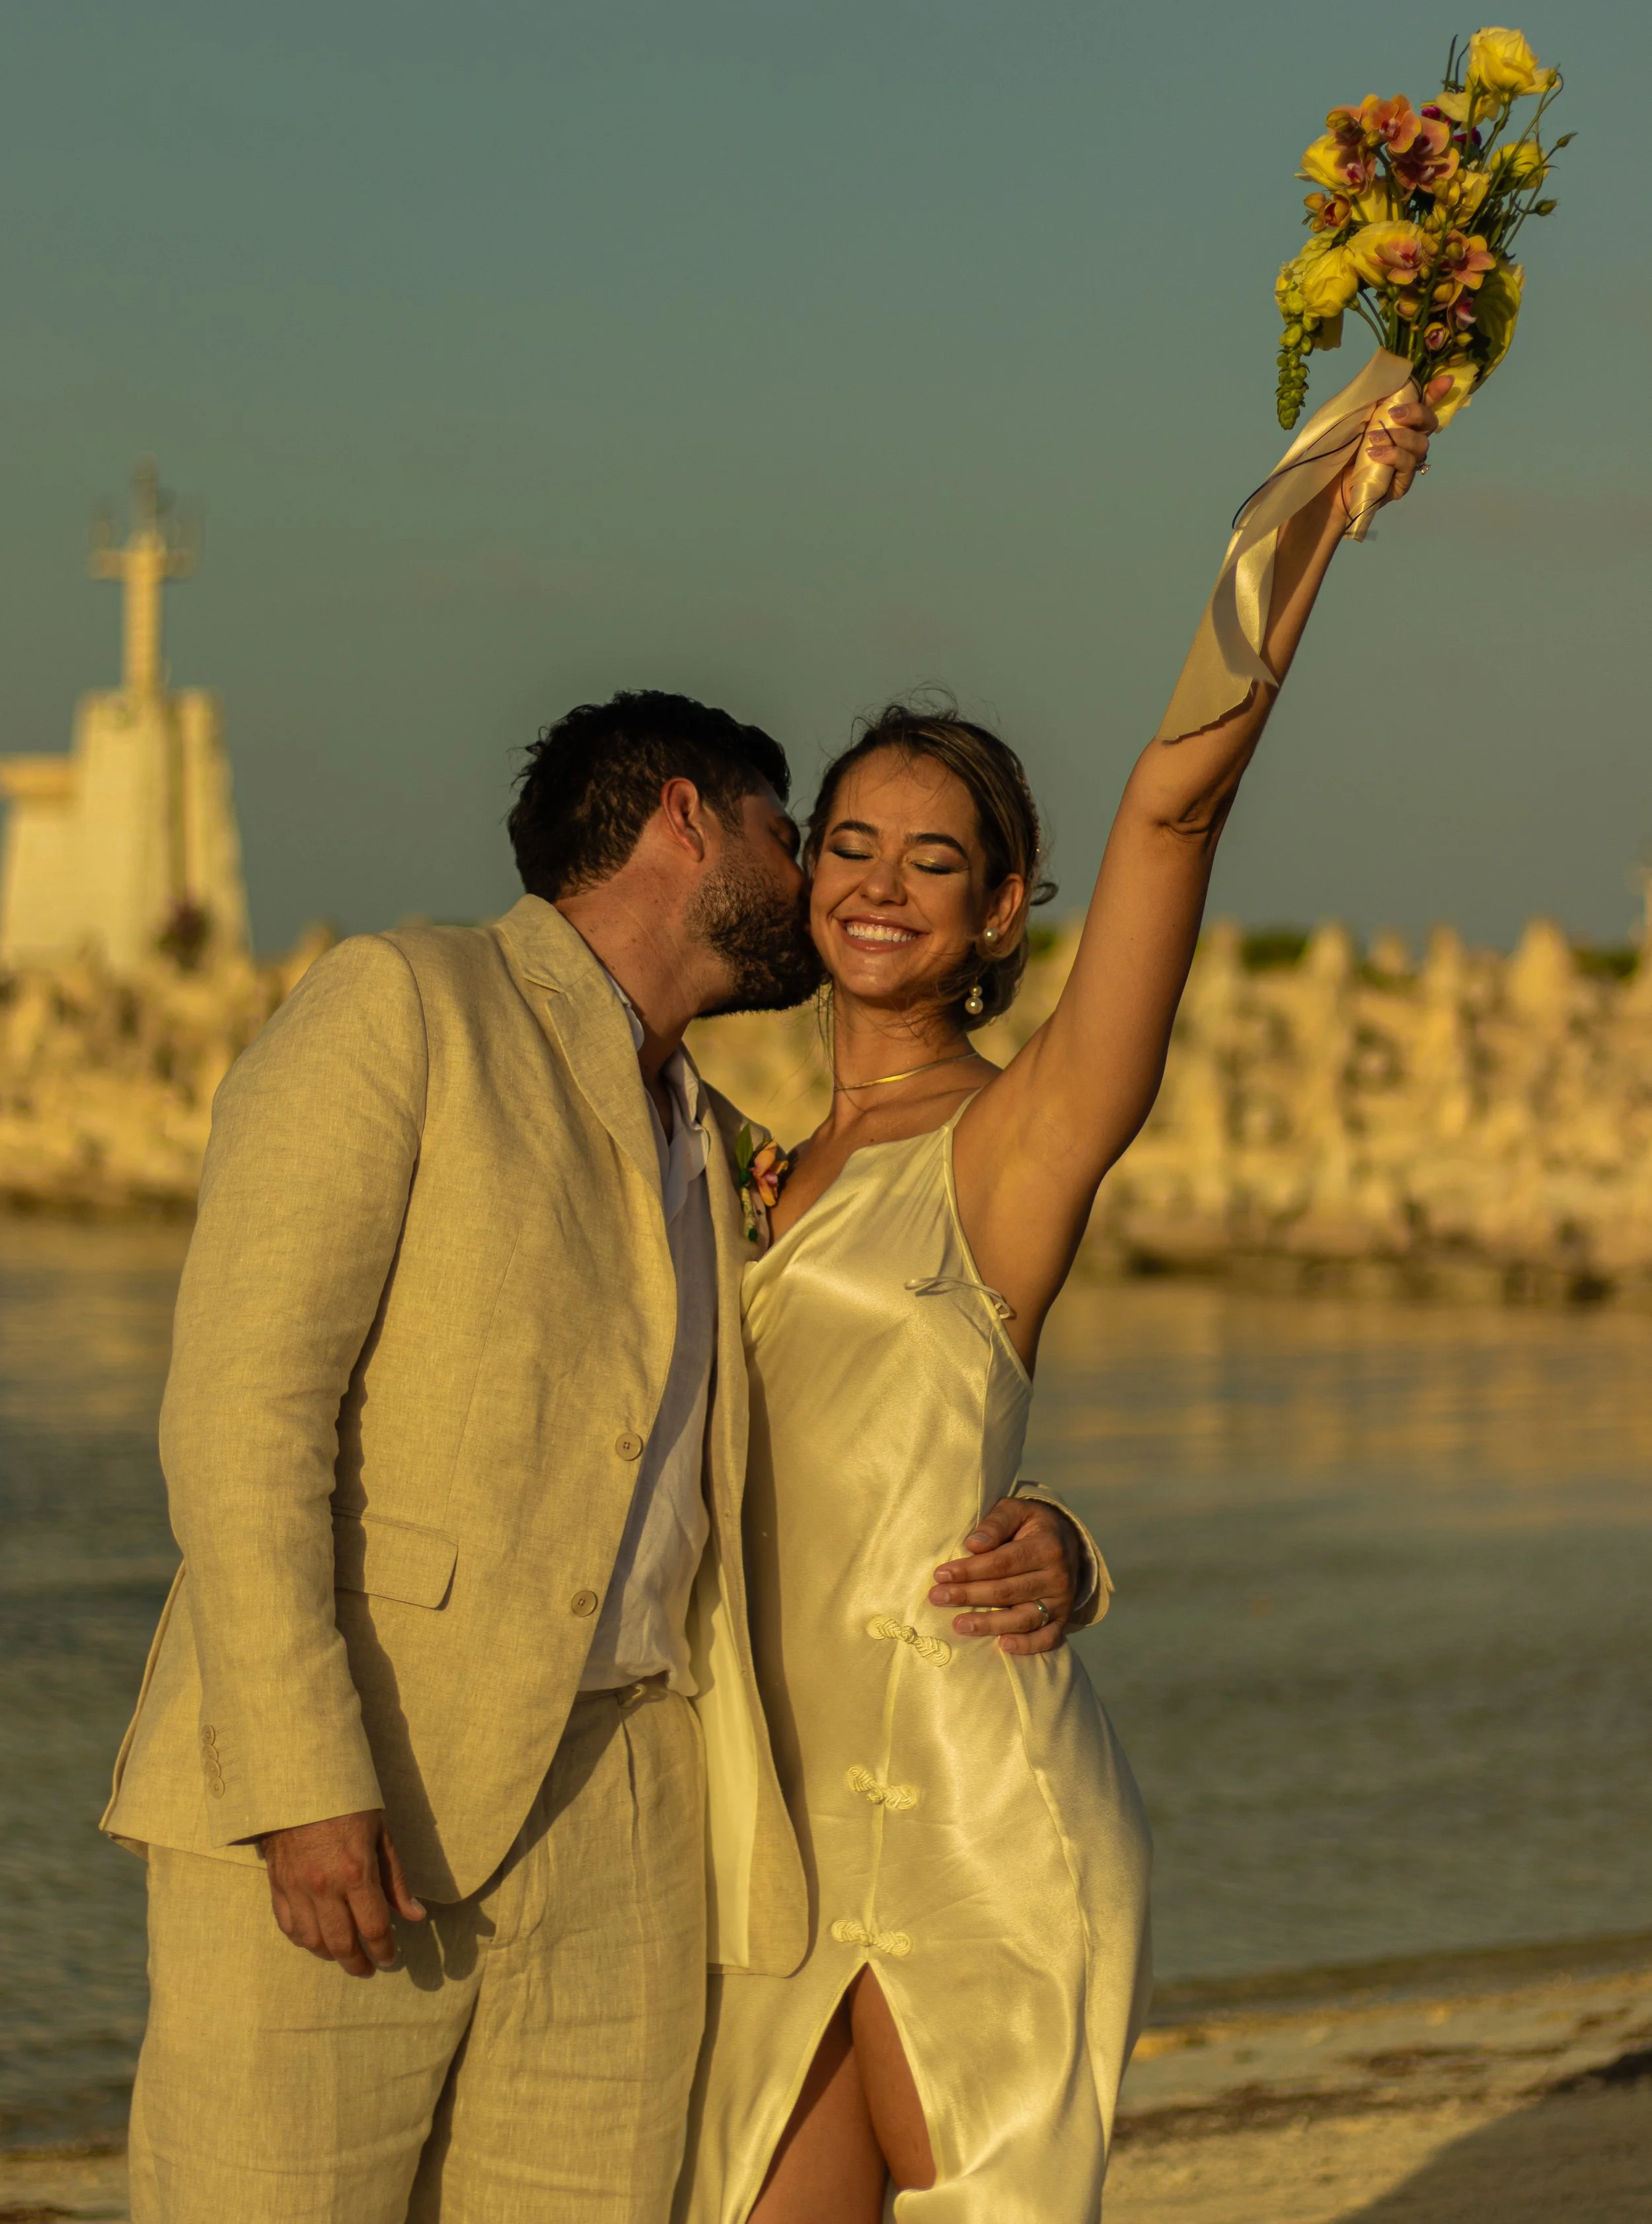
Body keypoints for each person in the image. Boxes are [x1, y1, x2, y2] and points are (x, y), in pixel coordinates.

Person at [101, 690, 1092, 2223]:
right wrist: (301, 1787)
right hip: (361, 1794)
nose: (824, 887)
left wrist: (1059, 1539)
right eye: (797, 836)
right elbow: (243, 1414)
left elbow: (867, 1412)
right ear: (688, 820)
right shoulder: (403, 1006)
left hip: (630, 1840)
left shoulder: (716, 1134)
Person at [679, 381, 1445, 2221]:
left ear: (1001, 908)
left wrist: (1319, 503)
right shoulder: (719, 1163)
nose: (876, 886)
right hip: (763, 1842)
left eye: (932, 858)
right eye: (847, 843)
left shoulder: (1017, 1143)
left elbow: (1176, 813)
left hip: (970, 1815)